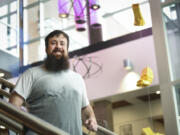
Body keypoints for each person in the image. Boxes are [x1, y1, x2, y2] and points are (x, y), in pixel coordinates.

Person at [9, 30, 98, 135]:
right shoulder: (31, 74)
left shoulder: (77, 78)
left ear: (67, 49)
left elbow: (85, 107)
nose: (58, 46)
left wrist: (92, 118)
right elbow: (13, 105)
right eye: (53, 43)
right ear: (46, 49)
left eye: (62, 43)